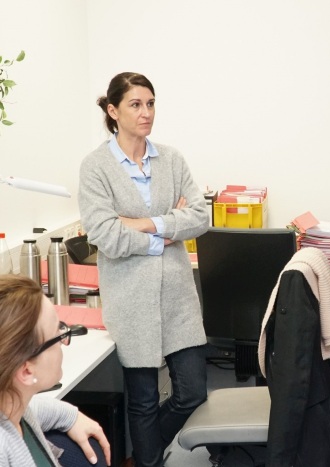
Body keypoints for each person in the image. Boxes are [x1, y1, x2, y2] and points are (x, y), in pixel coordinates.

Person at [78, 72, 210, 467]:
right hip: (131, 302)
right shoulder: (96, 167)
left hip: (178, 300)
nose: (146, 112)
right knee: (143, 401)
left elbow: (200, 217)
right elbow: (107, 237)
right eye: (136, 105)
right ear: (113, 111)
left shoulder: (171, 158)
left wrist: (141, 223)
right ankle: (149, 461)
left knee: (192, 393)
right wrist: (168, 229)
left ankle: (142, 453)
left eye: (151, 103)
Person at [0, 275, 111, 466]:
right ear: (26, 371)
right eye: (57, 335)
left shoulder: (15, 405)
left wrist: (71, 416)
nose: (64, 341)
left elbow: (36, 407)